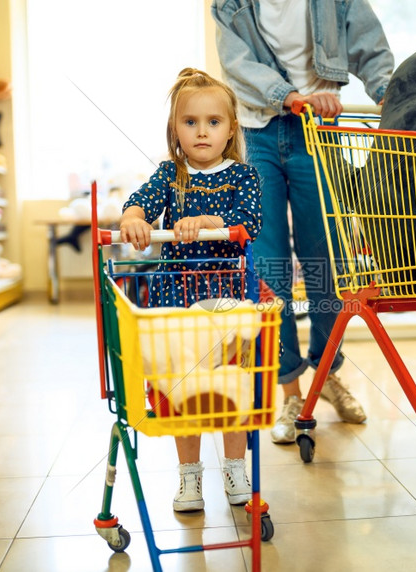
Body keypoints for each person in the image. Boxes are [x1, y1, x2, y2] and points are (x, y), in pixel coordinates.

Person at [211, 0, 394, 443]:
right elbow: (238, 65)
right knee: (270, 264)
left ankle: (327, 374)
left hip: (320, 129)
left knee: (327, 255)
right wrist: (289, 97)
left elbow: (369, 44)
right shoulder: (229, 4)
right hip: (258, 131)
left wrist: (390, 93)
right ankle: (290, 392)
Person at [119, 68, 262, 512]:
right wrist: (135, 218)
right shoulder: (170, 174)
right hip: (176, 297)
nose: (202, 131)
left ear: (231, 129)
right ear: (175, 129)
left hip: (229, 296)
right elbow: (140, 200)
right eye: (190, 122)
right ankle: (189, 477)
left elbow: (249, 220)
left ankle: (235, 466)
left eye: (213, 122)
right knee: (184, 388)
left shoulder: (244, 175)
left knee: (231, 384)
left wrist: (209, 222)